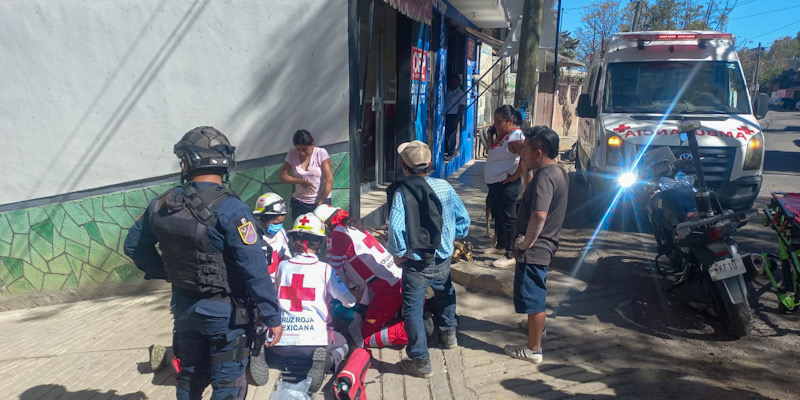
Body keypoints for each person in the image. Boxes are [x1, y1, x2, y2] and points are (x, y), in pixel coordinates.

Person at [123, 126, 283, 400]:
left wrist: (171, 272)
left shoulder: (161, 204)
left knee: (190, 378)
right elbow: (254, 270)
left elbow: (134, 246)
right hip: (225, 315)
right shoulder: (232, 209)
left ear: (191, 161)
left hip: (184, 307)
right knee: (228, 384)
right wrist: (273, 316)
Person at [387, 140, 470, 378]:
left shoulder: (403, 191)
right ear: (430, 163)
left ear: (405, 167)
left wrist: (398, 254)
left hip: (415, 263)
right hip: (442, 258)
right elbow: (463, 219)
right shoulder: (444, 187)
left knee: (412, 310)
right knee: (445, 293)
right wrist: (451, 238)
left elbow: (396, 228)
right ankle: (449, 334)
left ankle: (421, 360)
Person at [268, 213, 357, 393]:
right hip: (312, 344)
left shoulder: (281, 267)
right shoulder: (325, 269)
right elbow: (349, 302)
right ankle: (327, 360)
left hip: (279, 342)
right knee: (344, 343)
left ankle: (263, 353)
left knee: (273, 344)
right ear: (318, 243)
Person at [503, 126, 569, 364]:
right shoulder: (556, 171)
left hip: (535, 249)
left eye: (526, 151)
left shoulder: (545, 178)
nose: (523, 155)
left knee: (533, 297)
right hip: (546, 245)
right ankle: (535, 328)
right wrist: (526, 171)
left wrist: (524, 243)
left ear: (539, 152)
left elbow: (539, 215)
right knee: (534, 295)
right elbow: (532, 192)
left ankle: (533, 349)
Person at [313, 204, 409, 348]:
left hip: (385, 291)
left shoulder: (337, 235)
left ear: (325, 225)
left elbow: (335, 275)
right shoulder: (354, 228)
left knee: (366, 338)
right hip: (399, 280)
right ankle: (410, 319)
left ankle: (413, 332)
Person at [484, 105, 526, 268]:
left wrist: (516, 175)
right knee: (498, 215)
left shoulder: (515, 137)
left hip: (506, 185)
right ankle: (500, 245)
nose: (496, 125)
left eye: (498, 122)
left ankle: (510, 253)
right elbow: (492, 153)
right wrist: (490, 135)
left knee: (509, 217)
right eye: (494, 122)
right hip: (495, 184)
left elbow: (525, 155)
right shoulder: (503, 136)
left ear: (510, 121)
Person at [279, 130, 333, 220]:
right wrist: (299, 181)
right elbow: (282, 176)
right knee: (300, 230)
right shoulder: (292, 154)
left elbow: (329, 180)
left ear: (312, 145)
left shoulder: (320, 153)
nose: (301, 153)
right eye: (298, 149)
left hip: (320, 201)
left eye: (305, 149)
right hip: (299, 203)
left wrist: (320, 203)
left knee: (320, 231)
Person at [252, 192, 291, 283]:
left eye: (281, 223)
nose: (279, 227)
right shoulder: (254, 236)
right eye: (275, 223)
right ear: (262, 219)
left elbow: (286, 251)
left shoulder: (281, 232)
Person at [444, 76, 466, 159]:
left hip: (454, 116)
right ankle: (446, 150)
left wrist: (457, 119)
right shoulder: (447, 91)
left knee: (452, 135)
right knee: (446, 133)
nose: (454, 83)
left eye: (455, 82)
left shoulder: (460, 94)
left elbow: (461, 107)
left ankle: (451, 152)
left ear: (458, 83)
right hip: (446, 115)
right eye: (452, 81)